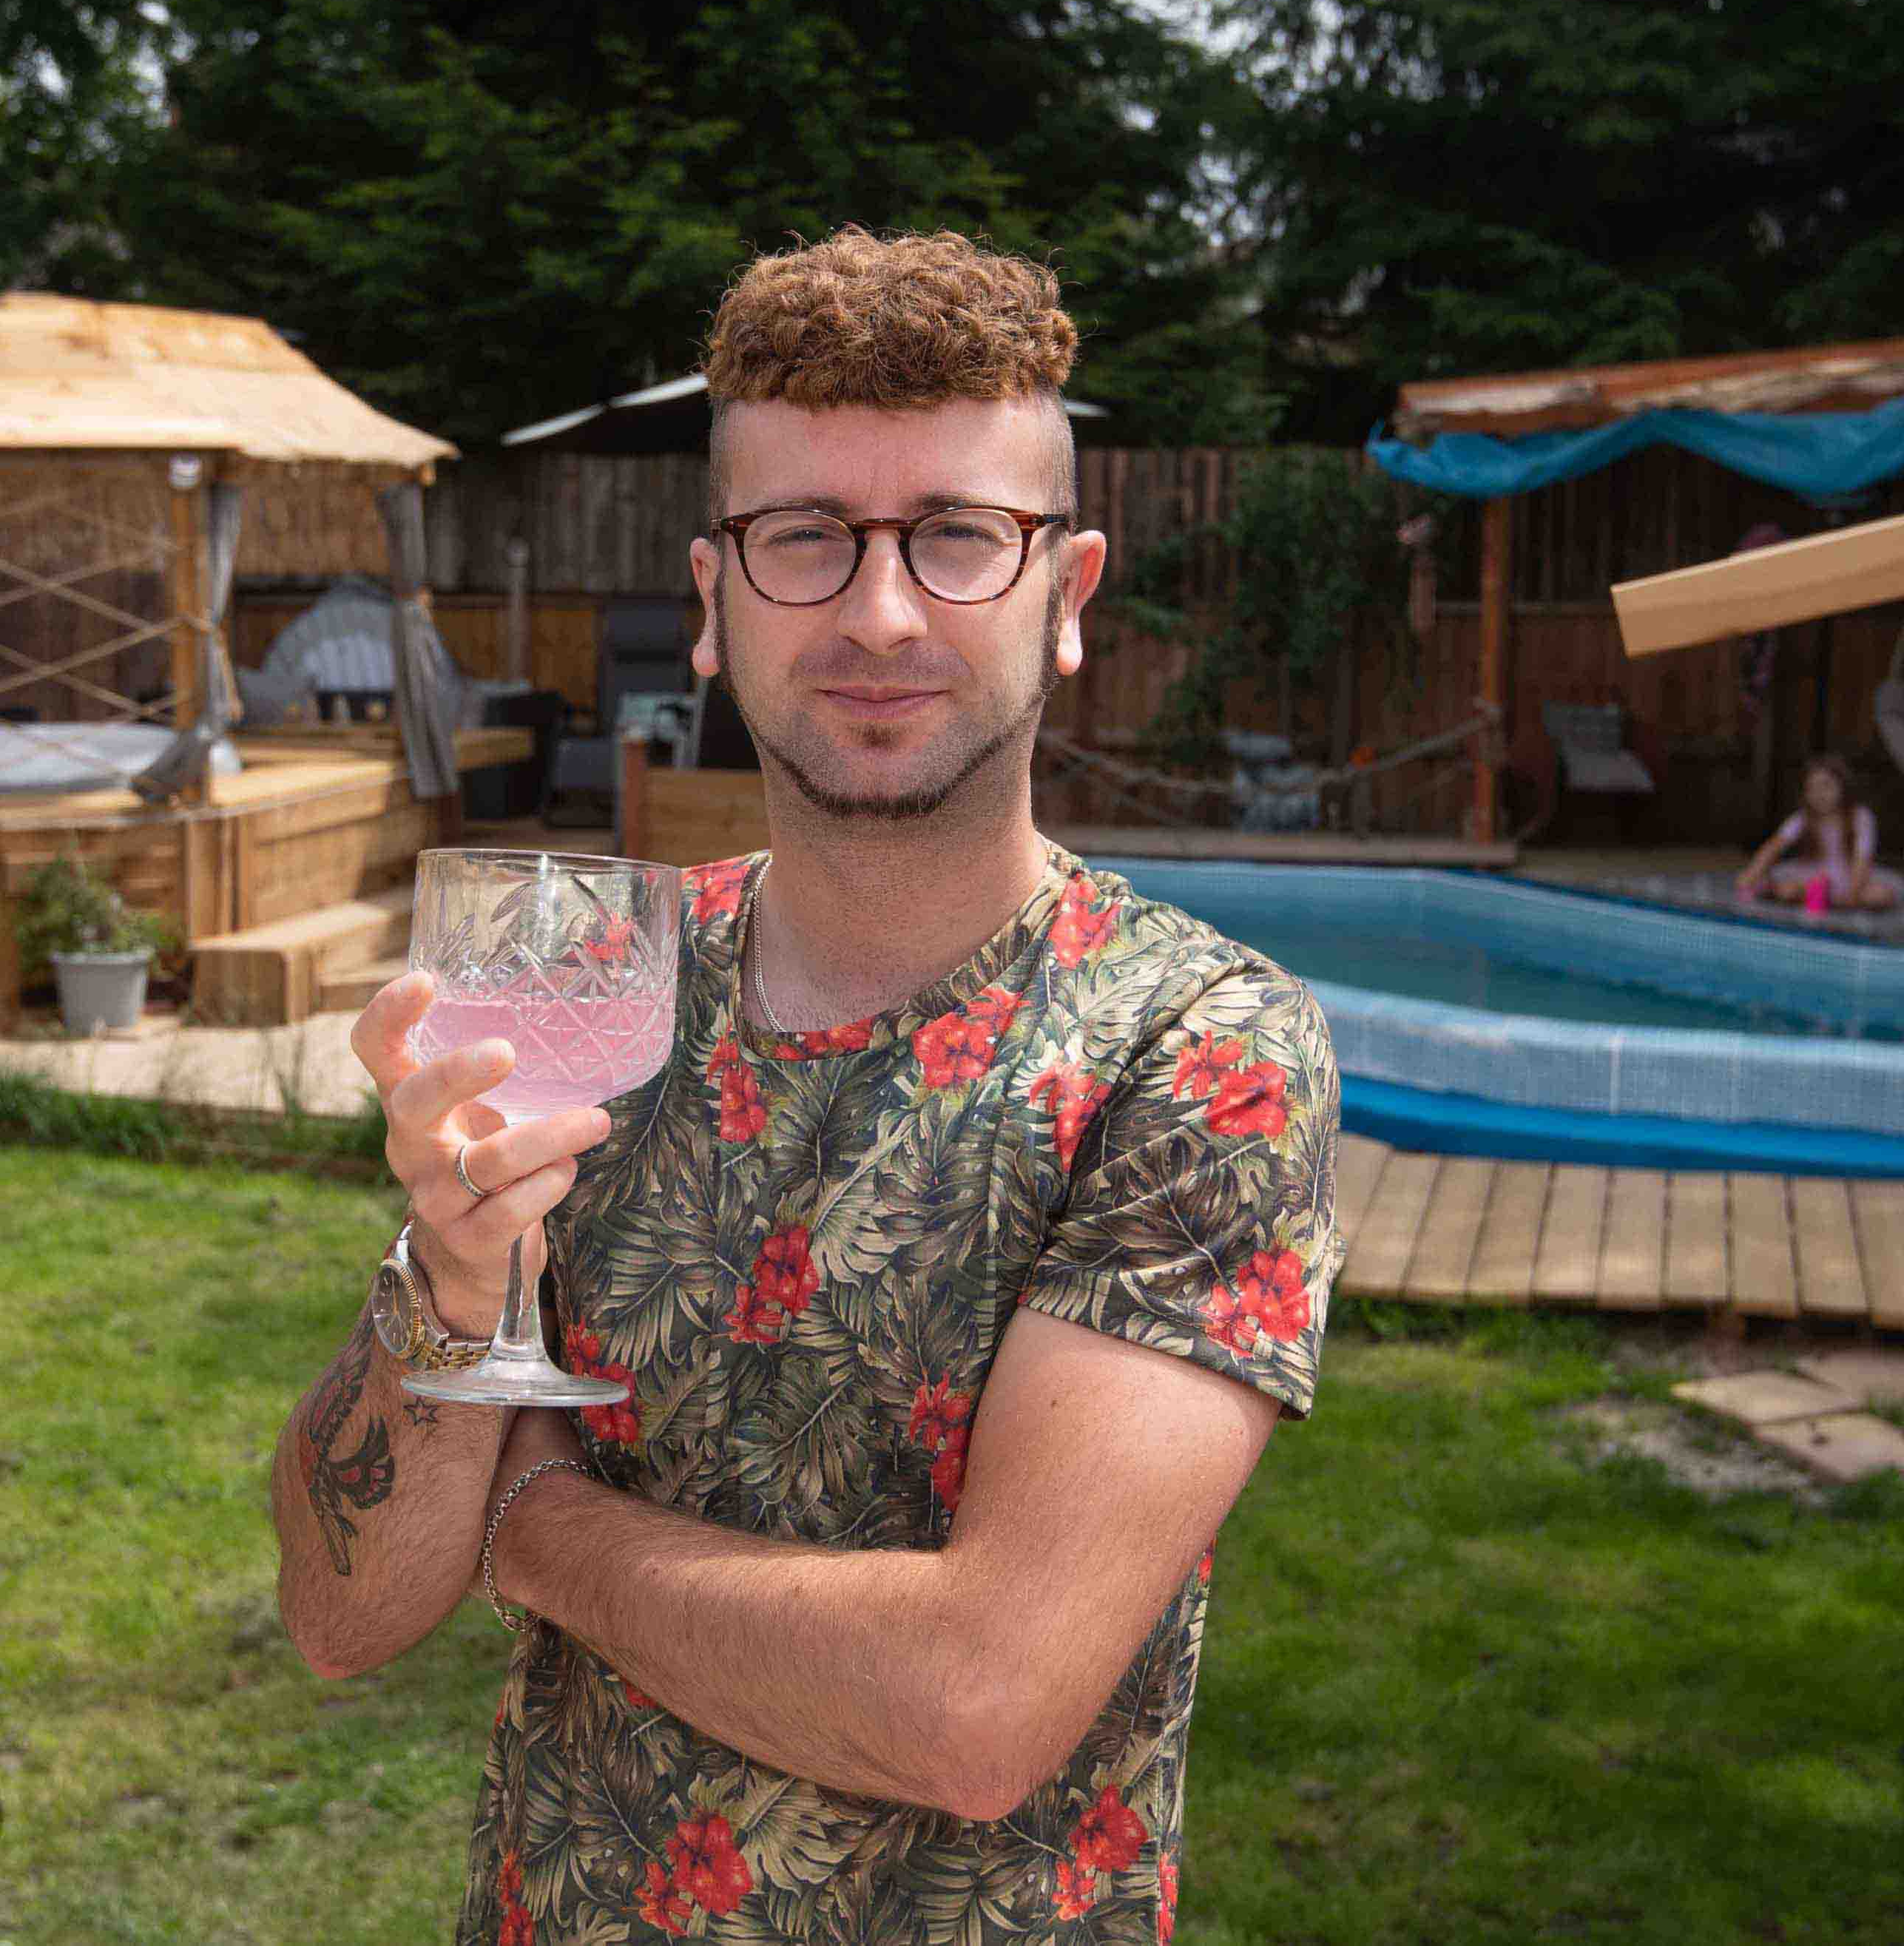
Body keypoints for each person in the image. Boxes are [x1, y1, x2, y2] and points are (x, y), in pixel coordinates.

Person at [272, 228, 1343, 1945]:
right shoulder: (599, 985)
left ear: (1068, 596)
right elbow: (339, 1616)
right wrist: (454, 1286)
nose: (881, 611)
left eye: (958, 535)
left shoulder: (1196, 1048)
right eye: (806, 539)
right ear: (710, 601)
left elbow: (974, 1706)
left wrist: (531, 1521)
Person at [1735, 752, 1899, 911]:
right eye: (1812, 788)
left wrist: (1853, 893)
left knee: (1881, 895)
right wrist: (1750, 875)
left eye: (1826, 786)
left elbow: (1862, 858)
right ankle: (1818, 896)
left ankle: (1822, 898)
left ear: (1843, 787)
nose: (1819, 794)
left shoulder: (1860, 817)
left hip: (1849, 876)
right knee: (1782, 888)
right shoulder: (1802, 818)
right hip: (1811, 875)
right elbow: (1773, 847)